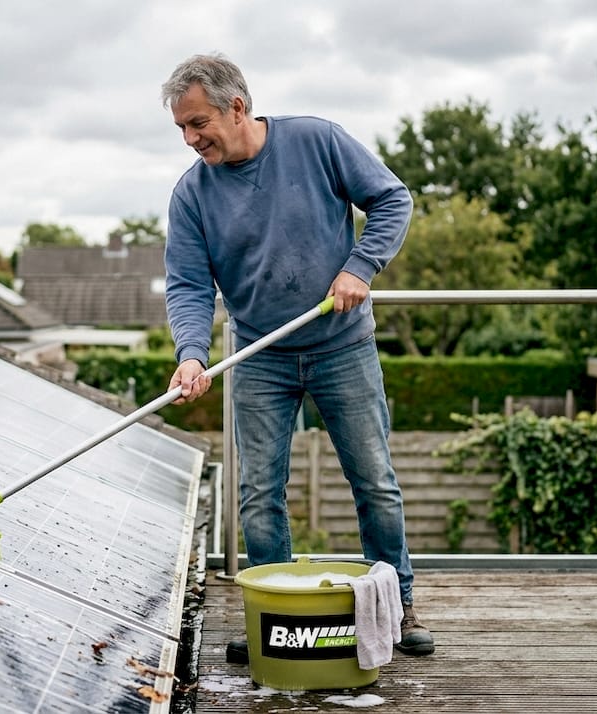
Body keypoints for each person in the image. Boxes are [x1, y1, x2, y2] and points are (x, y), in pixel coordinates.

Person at [159, 53, 434, 659]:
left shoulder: (317, 141)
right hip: (258, 355)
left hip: (343, 347)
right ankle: (275, 616)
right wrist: (191, 354)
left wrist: (359, 267)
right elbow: (186, 284)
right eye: (180, 128)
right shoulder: (192, 195)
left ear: (237, 107)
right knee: (259, 495)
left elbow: (392, 199)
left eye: (197, 122)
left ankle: (398, 607)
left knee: (375, 483)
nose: (190, 138)